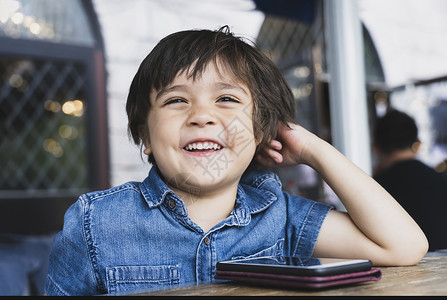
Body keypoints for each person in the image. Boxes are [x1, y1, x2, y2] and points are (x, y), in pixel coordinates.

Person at [44, 26, 428, 296]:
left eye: (226, 99)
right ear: (144, 136)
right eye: (176, 100)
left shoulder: (281, 216)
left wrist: (312, 148)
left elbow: (403, 247)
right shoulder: (94, 224)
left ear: (262, 132)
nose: (202, 115)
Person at [372, 109, 447, 252]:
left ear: (375, 148)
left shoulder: (374, 189)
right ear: (418, 143)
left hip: (402, 270)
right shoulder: (441, 181)